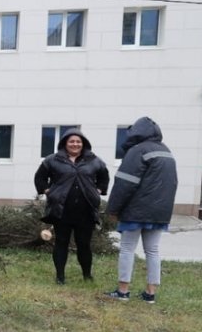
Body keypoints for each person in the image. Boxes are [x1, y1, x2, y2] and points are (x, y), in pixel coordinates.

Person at [105, 116, 179, 304]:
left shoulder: (137, 151)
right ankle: (150, 293)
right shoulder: (166, 151)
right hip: (160, 212)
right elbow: (173, 183)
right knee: (153, 251)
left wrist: (113, 209)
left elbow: (124, 184)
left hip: (135, 211)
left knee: (127, 249)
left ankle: (122, 291)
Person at [35, 129, 110, 284]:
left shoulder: (94, 160)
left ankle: (87, 276)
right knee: (61, 243)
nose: (75, 144)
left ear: (83, 144)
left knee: (84, 244)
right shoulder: (52, 160)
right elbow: (40, 178)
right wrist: (48, 190)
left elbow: (104, 177)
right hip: (61, 210)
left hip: (86, 211)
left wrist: (99, 190)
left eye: (78, 142)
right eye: (71, 141)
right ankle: (60, 277)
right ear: (64, 143)